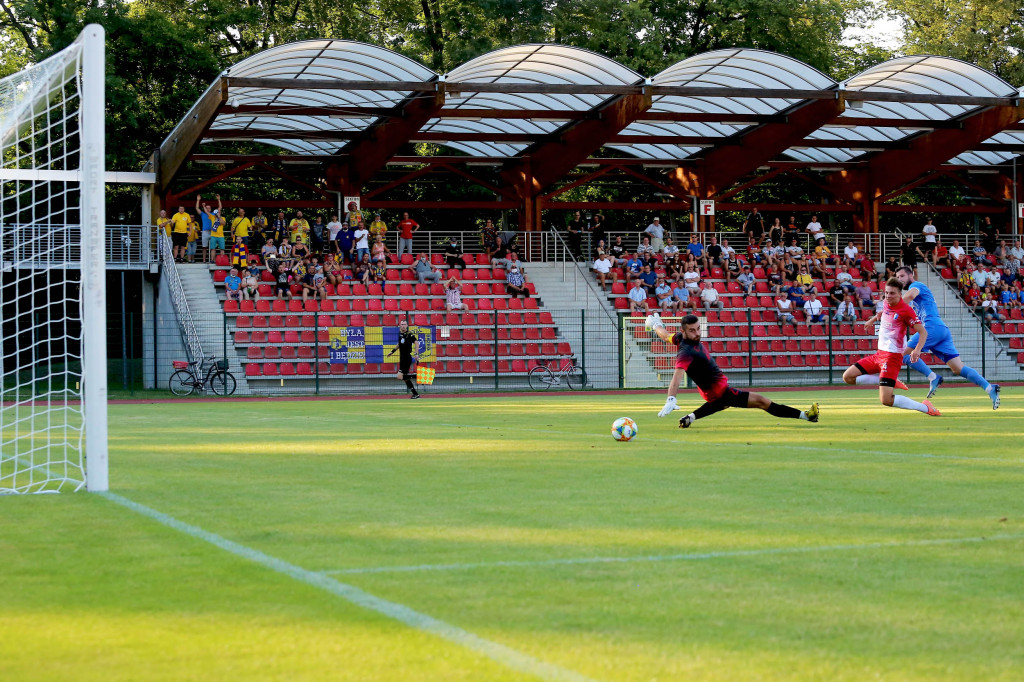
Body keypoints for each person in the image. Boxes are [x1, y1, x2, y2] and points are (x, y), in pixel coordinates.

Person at [646, 313, 818, 427]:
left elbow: (665, 335)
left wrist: (655, 324)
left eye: (698, 328)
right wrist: (671, 398)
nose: (697, 333)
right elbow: (677, 376)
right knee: (763, 402)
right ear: (684, 331)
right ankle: (806, 416)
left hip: (717, 393)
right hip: (720, 392)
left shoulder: (680, 338)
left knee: (723, 404)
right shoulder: (686, 352)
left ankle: (690, 418)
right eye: (692, 330)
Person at [892, 266, 1000, 408]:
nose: (899, 279)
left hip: (932, 328)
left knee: (902, 354)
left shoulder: (916, 285)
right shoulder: (914, 300)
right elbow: (905, 311)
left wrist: (891, 306)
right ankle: (989, 388)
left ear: (911, 275)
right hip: (941, 330)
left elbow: (910, 296)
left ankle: (932, 377)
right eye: (897, 277)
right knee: (957, 368)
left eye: (902, 276)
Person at [842, 278, 937, 415]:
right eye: (886, 293)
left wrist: (917, 350)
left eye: (892, 293)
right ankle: (891, 381)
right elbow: (883, 312)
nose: (888, 296)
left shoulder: (906, 310)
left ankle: (926, 408)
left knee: (886, 400)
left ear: (899, 294)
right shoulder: (886, 303)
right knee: (848, 377)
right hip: (879, 355)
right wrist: (873, 319)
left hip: (892, 358)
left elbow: (923, 332)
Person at [386, 319, 421, 399]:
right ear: (400, 325)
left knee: (399, 376)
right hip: (402, 358)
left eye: (405, 324)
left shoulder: (409, 334)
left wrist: (416, 354)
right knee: (405, 378)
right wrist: (392, 351)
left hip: (406, 358)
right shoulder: (401, 334)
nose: (403, 326)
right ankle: (415, 394)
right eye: (402, 324)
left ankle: (418, 376)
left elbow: (416, 342)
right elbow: (399, 344)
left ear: (407, 326)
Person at [194, 194, 221, 262]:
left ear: (211, 209)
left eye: (209, 208)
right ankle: (204, 260)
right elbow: (197, 208)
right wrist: (198, 200)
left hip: (212, 232)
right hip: (205, 232)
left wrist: (218, 199)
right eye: (207, 208)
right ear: (205, 208)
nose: (208, 209)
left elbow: (219, 208)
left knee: (213, 247)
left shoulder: (213, 214)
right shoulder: (203, 214)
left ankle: (213, 259)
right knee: (204, 247)